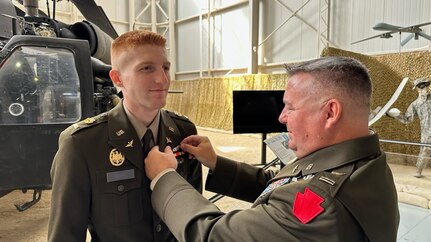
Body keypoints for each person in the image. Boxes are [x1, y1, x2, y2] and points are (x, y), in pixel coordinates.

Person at [144, 56, 400, 242]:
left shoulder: (327, 203)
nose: (281, 117)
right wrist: (216, 163)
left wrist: (164, 177)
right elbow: (283, 186)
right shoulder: (363, 162)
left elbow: (213, 235)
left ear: (330, 112)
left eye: (290, 107)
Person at [48, 30, 202, 241]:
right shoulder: (82, 144)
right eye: (147, 68)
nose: (162, 79)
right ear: (117, 78)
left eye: (165, 67)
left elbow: (194, 220)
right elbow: (65, 235)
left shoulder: (184, 132)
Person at [387, 78, 431, 178]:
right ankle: (419, 171)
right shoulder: (415, 104)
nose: (425, 88)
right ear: (417, 89)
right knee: (424, 151)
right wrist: (395, 115)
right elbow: (407, 119)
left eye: (426, 85)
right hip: (427, 134)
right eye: (422, 86)